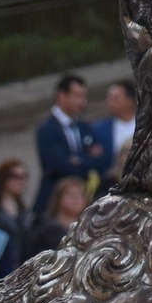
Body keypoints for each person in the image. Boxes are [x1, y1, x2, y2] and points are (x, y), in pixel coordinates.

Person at [33, 73, 105, 216]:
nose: (83, 102)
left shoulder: (84, 126)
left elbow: (100, 159)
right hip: (54, 200)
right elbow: (58, 165)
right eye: (78, 96)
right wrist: (86, 161)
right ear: (61, 95)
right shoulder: (47, 129)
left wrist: (77, 161)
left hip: (84, 198)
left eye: (84, 96)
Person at [24, 175, 90, 260]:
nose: (75, 199)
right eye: (70, 194)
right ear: (59, 198)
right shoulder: (44, 227)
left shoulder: (88, 231)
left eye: (80, 195)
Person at [98, 79, 138, 178]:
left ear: (130, 100)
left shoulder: (147, 124)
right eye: (109, 99)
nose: (109, 103)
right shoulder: (99, 130)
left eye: (114, 99)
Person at [0, 158, 31, 245]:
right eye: (15, 177)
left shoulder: (22, 209)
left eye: (24, 177)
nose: (21, 182)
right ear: (4, 178)